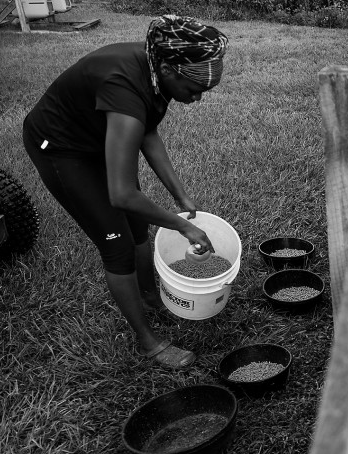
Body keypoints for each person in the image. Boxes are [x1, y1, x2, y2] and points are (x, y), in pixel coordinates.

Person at [22, 15, 228, 368]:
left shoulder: (153, 70)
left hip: (96, 139)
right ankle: (149, 342)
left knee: (137, 226)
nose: (195, 100)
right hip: (60, 148)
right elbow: (122, 195)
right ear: (167, 69)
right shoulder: (125, 87)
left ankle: (149, 296)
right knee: (116, 242)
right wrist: (183, 226)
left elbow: (147, 133)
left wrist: (179, 195)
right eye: (193, 90)